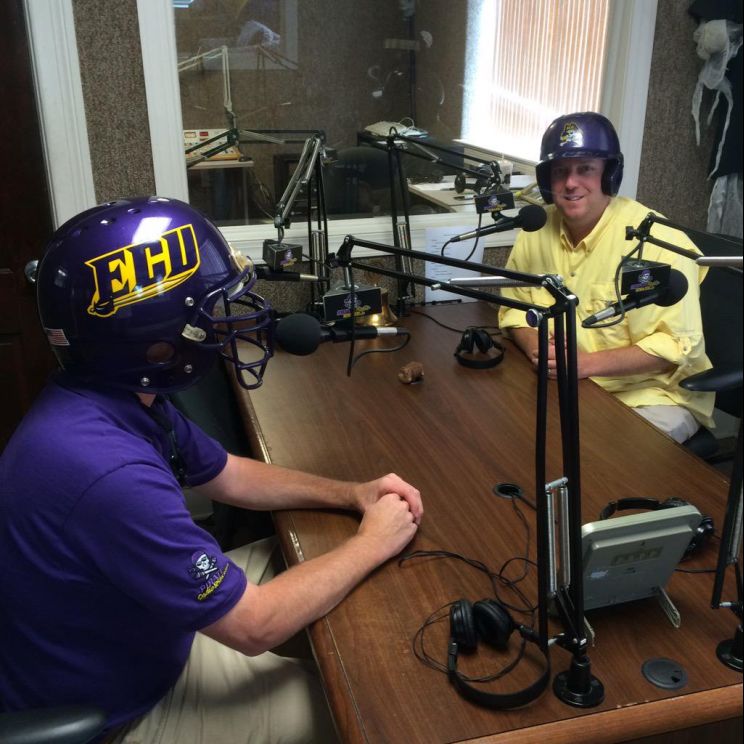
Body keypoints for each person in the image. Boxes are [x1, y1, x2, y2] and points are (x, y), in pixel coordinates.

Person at [0, 196, 423, 743]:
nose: (225, 321)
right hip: (117, 713)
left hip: (144, 632)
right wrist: (373, 542)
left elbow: (228, 474)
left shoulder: (113, 398)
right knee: (367, 707)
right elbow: (255, 626)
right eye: (209, 310)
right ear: (154, 334)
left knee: (331, 576)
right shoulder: (108, 473)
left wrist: (352, 495)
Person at [498, 112, 715, 443]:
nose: (571, 183)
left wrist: (584, 364)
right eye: (560, 171)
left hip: (652, 395)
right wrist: (537, 348)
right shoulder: (536, 230)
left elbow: (676, 348)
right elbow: (515, 308)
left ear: (609, 174)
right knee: (513, 437)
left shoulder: (659, 244)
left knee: (594, 460)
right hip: (572, 385)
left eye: (585, 169)